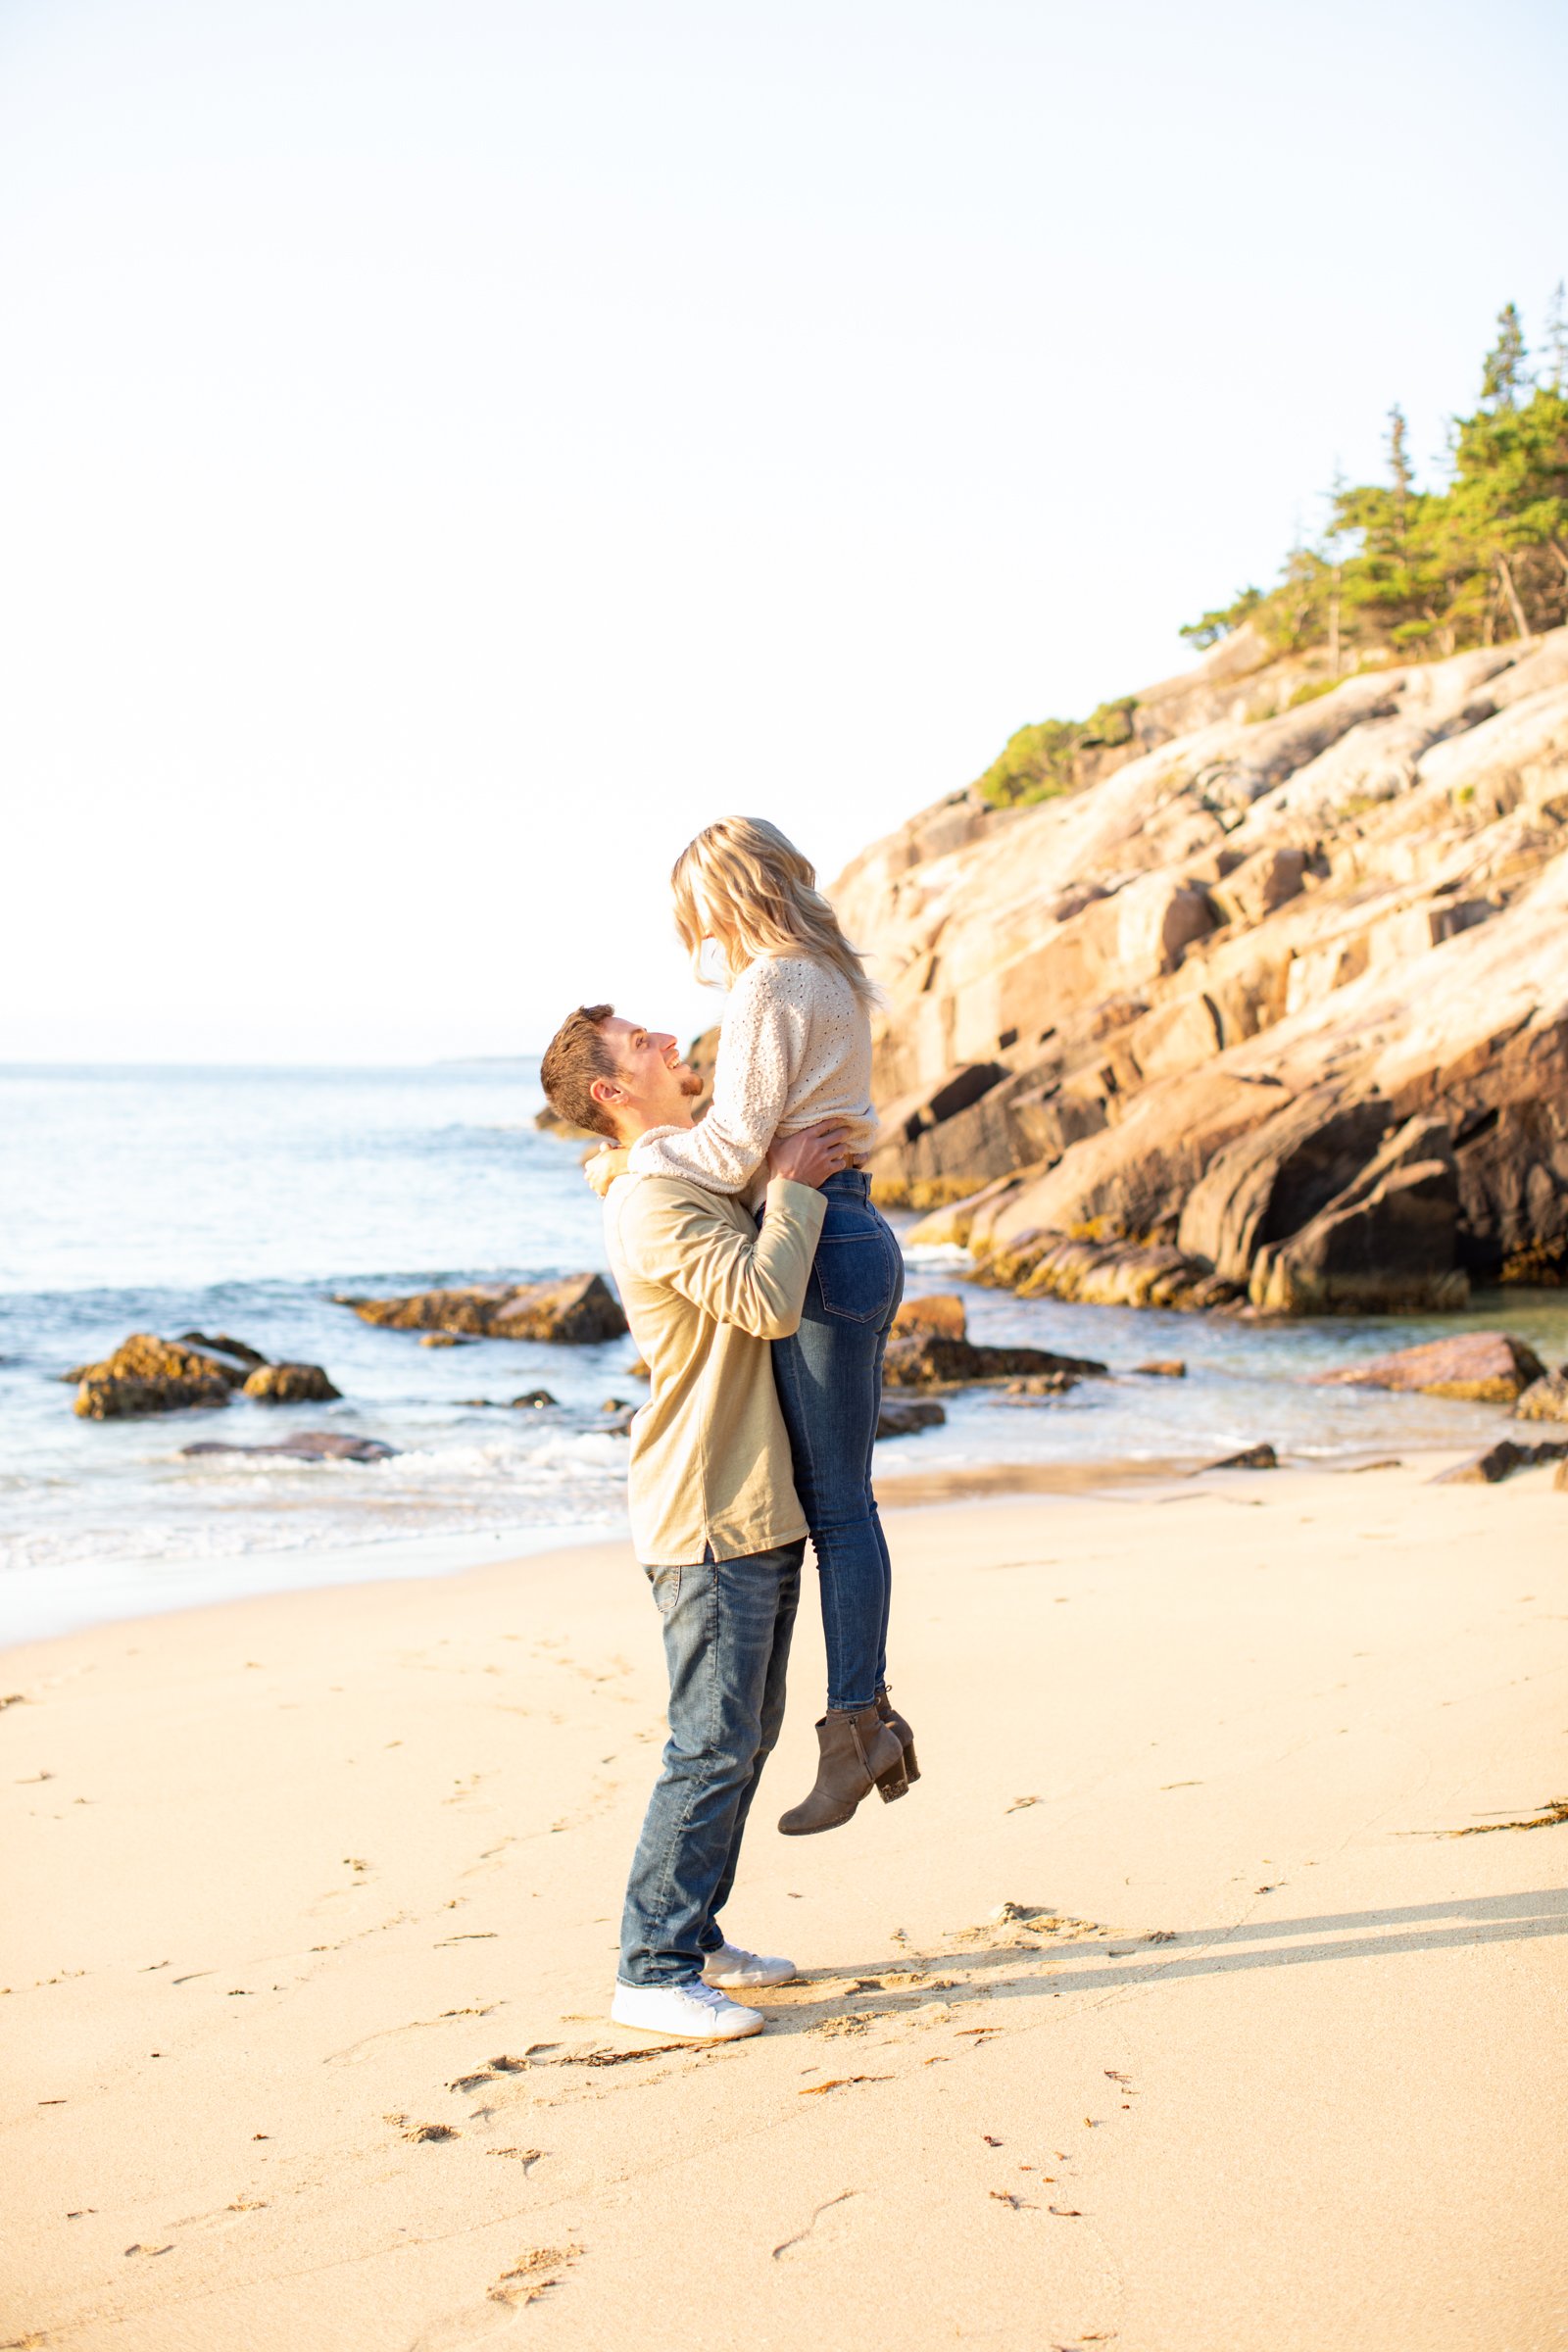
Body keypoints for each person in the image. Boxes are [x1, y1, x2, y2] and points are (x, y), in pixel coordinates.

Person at [539, 1004, 895, 2044]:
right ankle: (649, 1969)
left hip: (752, 1496)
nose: (667, 1041)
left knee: (743, 1737)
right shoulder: (652, 1199)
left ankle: (693, 1937)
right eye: (641, 1042)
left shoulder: (675, 1175)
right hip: (705, 1505)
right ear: (610, 1092)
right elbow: (762, 1300)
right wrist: (788, 1189)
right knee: (708, 1744)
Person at [588, 815, 916, 1837]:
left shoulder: (771, 983)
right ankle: (861, 1721)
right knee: (844, 1503)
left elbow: (733, 1144)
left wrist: (640, 1165)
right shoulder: (829, 971)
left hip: (821, 1247)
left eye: (699, 915)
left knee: (836, 1509)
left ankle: (858, 1726)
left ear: (727, 898)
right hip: (851, 1231)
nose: (702, 939)